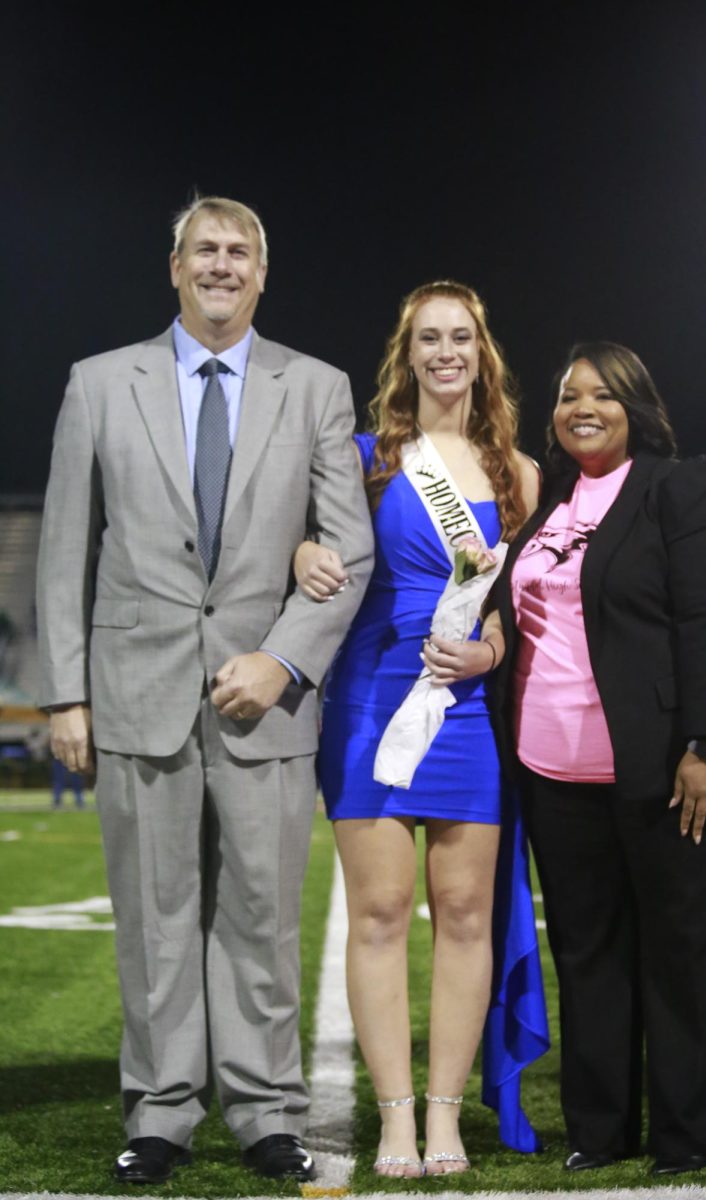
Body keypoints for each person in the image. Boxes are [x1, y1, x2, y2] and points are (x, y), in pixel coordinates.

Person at [36, 196, 374, 1185]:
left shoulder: (315, 386)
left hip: (266, 699)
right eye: (204, 250)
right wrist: (64, 695)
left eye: (239, 252)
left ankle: (267, 1109)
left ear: (262, 275)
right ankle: (161, 1109)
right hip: (135, 689)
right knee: (154, 917)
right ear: (173, 266)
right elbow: (62, 550)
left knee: (263, 917)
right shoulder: (99, 385)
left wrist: (283, 658)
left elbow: (346, 549)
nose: (221, 265)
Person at [490, 341, 706, 1177]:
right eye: (568, 394)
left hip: (668, 768)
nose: (582, 406)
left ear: (636, 406)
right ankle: (601, 1126)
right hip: (555, 775)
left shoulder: (679, 487)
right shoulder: (546, 507)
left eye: (603, 394)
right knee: (588, 952)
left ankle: (693, 1130)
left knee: (685, 950)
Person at [294, 281, 548, 1177]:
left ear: (483, 354)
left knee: (468, 914)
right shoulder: (366, 457)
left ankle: (444, 1117)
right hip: (371, 705)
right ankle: (395, 1118)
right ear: (407, 355)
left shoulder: (521, 475)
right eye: (429, 339)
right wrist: (302, 551)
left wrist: (487, 654)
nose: (446, 352)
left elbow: (515, 616)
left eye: (462, 338)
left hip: (466, 716)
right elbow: (304, 542)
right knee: (379, 912)